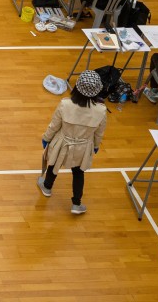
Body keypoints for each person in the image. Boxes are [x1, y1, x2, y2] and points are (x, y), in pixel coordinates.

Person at [38, 70, 107, 215]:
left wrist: (46, 138)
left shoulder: (65, 104)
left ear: (77, 87)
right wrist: (95, 146)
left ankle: (47, 187)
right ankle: (76, 204)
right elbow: (99, 133)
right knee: (78, 173)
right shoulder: (101, 110)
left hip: (62, 142)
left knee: (53, 165)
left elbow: (54, 125)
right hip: (83, 146)